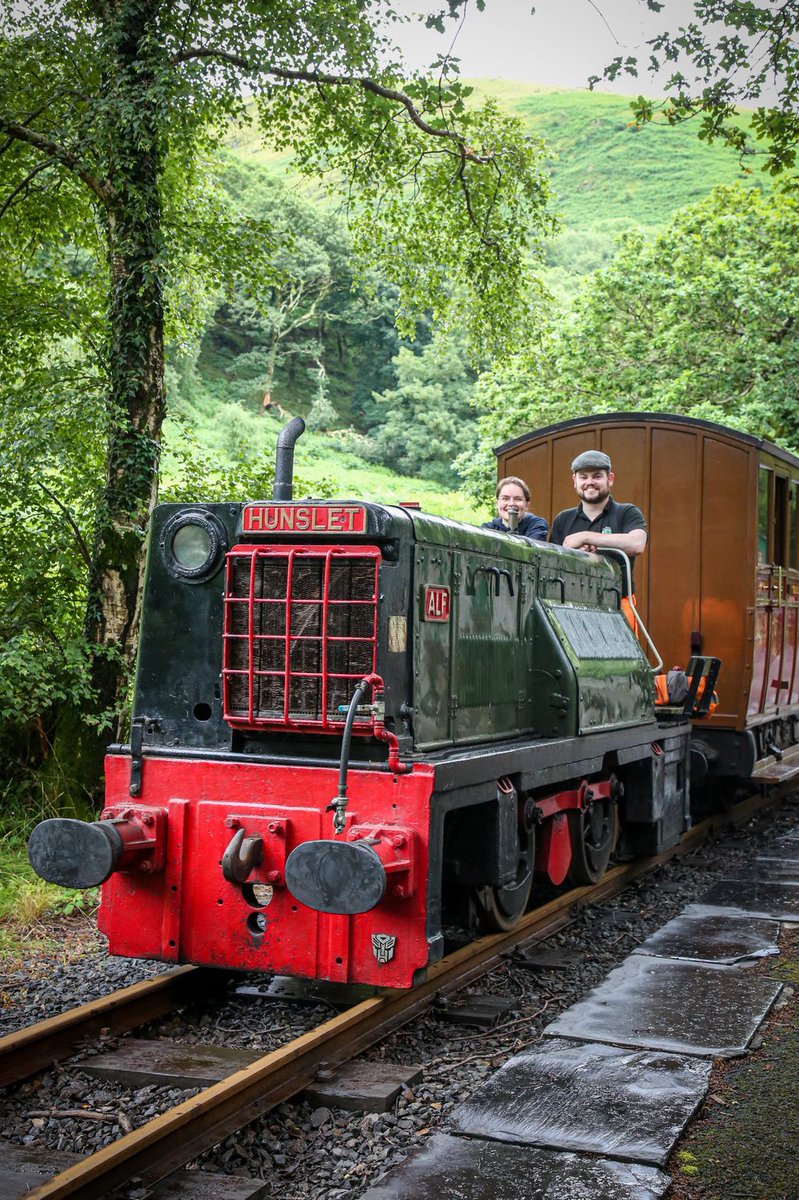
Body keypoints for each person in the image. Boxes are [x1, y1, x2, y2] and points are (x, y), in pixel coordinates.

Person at [550, 450, 647, 621]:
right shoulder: (563, 519)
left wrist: (586, 536)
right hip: (571, 609)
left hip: (619, 606)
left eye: (596, 476)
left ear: (610, 478)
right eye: (583, 477)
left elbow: (637, 543)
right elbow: (552, 566)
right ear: (575, 480)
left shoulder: (627, 512)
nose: (590, 482)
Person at [483, 476, 548, 540]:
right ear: (497, 503)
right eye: (505, 498)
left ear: (527, 504)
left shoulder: (537, 526)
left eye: (518, 499)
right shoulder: (487, 529)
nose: (511, 504)